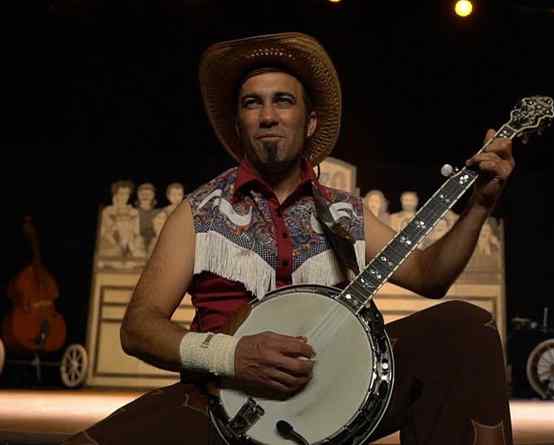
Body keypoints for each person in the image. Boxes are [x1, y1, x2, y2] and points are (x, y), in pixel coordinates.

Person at [65, 32, 515, 445]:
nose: (267, 116)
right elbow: (139, 327)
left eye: (283, 101)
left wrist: (479, 206)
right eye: (252, 104)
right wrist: (231, 356)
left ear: (310, 121)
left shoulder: (345, 212)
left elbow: (429, 276)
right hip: (223, 408)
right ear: (239, 123)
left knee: (463, 329)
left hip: (341, 396)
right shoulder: (198, 212)